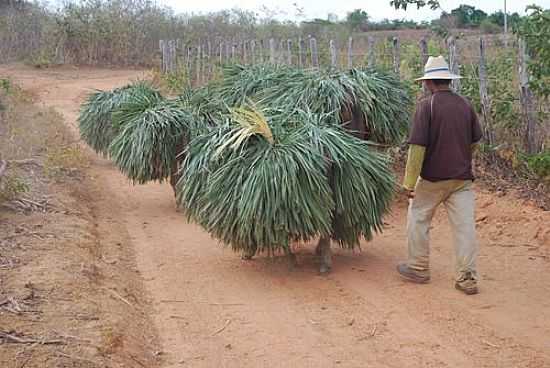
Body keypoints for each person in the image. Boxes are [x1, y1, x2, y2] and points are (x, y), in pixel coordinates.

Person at [397, 55, 483, 295]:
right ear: (447, 80)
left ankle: (418, 267)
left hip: (433, 180)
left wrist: (408, 184)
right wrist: (463, 157)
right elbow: (475, 140)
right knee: (465, 228)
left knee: (418, 218)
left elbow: (417, 148)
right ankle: (467, 279)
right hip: (462, 180)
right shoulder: (465, 104)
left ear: (428, 83)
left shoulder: (427, 106)